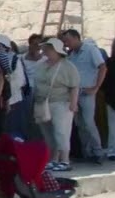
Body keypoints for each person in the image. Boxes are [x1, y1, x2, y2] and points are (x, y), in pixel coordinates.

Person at [32, 38, 80, 171]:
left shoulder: (68, 66)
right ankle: (53, 159)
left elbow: (74, 86)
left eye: (48, 48)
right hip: (43, 103)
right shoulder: (41, 65)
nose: (45, 51)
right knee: (48, 133)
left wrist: (73, 103)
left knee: (61, 132)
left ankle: (65, 160)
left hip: (61, 103)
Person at [61, 29, 106, 163]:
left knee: (88, 122)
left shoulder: (90, 50)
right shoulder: (71, 54)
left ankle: (97, 151)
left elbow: (102, 67)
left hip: (87, 92)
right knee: (79, 124)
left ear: (76, 38)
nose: (67, 43)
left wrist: (96, 87)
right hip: (75, 92)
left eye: (68, 40)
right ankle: (87, 152)